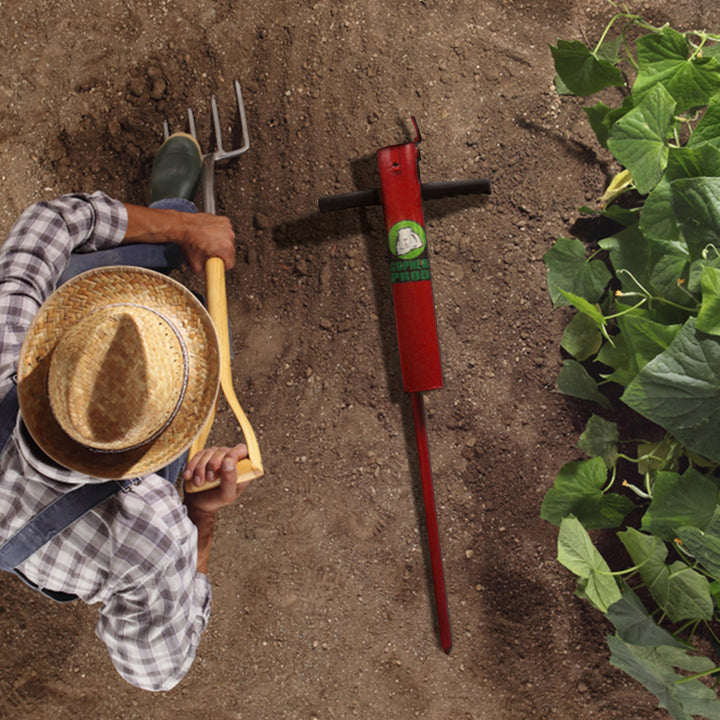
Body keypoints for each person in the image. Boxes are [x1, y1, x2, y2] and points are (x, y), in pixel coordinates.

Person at [0, 133, 252, 691]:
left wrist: (185, 230)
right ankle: (174, 215)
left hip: (30, 540)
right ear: (159, 436)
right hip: (74, 552)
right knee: (134, 241)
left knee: (71, 262)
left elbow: (48, 223)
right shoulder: (153, 527)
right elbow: (158, 673)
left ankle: (175, 216)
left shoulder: (5, 342)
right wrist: (199, 518)